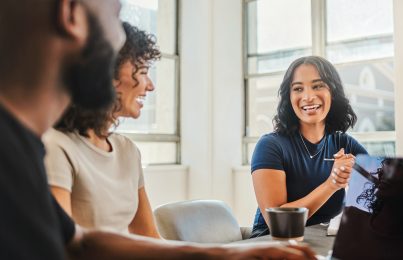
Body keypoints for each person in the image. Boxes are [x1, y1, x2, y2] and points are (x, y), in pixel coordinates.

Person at [0, 0, 315, 259]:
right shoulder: (35, 150)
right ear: (72, 13)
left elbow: (78, 241)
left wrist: (229, 254)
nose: (119, 39)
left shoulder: (22, 149)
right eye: (115, 12)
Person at [44, 21, 160, 238]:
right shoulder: (56, 147)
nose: (150, 85)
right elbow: (66, 247)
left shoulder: (128, 150)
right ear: (108, 73)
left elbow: (150, 236)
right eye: (143, 71)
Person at [251, 56, 367, 238]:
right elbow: (278, 222)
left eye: (318, 86)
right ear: (289, 98)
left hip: (322, 239)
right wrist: (332, 184)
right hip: (274, 243)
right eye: (298, 88)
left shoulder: (344, 143)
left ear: (333, 92)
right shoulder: (270, 146)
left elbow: (383, 190)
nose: (308, 97)